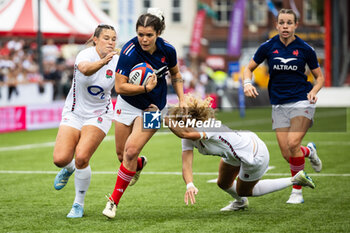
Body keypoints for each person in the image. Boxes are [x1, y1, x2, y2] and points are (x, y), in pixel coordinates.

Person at [164, 94, 315, 211]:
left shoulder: (207, 126)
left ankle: (295, 179)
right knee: (223, 183)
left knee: (245, 190)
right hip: (236, 152)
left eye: (181, 119)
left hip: (253, 154)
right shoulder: (187, 135)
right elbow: (186, 164)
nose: (179, 122)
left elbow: (184, 134)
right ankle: (240, 202)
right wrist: (189, 184)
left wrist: (165, 118)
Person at [102, 8, 186, 219]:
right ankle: (139, 164)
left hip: (154, 108)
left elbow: (176, 74)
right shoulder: (129, 51)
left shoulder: (168, 50)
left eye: (149, 35)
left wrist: (182, 99)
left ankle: (113, 202)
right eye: (140, 34)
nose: (144, 39)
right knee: (122, 156)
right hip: (127, 103)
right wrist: (145, 88)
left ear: (158, 33)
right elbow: (120, 88)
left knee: (130, 150)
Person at [243, 9, 324, 204]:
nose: (285, 26)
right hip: (278, 104)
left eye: (289, 22)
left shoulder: (305, 49)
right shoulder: (268, 47)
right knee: (288, 155)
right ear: (277, 25)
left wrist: (314, 91)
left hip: (301, 100)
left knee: (293, 143)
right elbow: (248, 68)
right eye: (282, 22)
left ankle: (297, 192)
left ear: (296, 25)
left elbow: (319, 77)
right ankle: (309, 152)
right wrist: (247, 83)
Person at [52, 24, 119, 218]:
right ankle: (69, 168)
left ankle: (78, 204)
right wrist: (104, 61)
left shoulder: (117, 61)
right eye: (106, 38)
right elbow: (85, 69)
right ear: (95, 39)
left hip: (100, 114)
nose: (110, 42)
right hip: (74, 112)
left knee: (82, 157)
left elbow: (126, 81)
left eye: (113, 39)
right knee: (60, 159)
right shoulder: (85, 55)